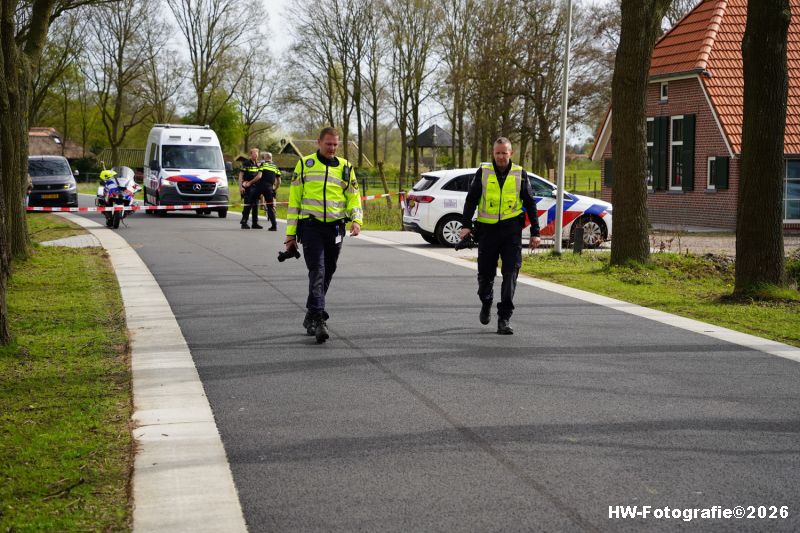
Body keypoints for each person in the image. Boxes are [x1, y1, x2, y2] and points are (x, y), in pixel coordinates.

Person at [284, 127, 363, 343]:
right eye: (328, 144)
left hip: (335, 228)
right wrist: (290, 235)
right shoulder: (305, 164)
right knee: (317, 270)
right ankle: (319, 318)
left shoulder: (346, 167)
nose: (332, 148)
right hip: (311, 227)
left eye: (336, 144)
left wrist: (356, 220)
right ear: (319, 142)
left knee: (328, 271)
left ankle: (311, 313)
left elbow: (354, 198)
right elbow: (294, 203)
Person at [458, 137, 541, 335]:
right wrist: (466, 225)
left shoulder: (520, 173)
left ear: (511, 153)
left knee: (511, 274)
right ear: (493, 154)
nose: (501, 157)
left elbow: (530, 203)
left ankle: (504, 318)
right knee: (485, 277)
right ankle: (486, 302)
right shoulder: (484, 172)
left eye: (504, 153)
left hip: (511, 231)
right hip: (487, 231)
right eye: (498, 153)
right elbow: (471, 200)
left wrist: (535, 233)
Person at [239, 148, 263, 229]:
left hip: (256, 187)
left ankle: (255, 223)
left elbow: (259, 176)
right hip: (248, 187)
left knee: (255, 205)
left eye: (257, 154)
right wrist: (241, 186)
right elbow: (240, 175)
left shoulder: (258, 164)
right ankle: (244, 222)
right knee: (248, 205)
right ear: (251, 154)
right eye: (254, 154)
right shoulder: (246, 163)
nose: (256, 155)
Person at [259, 152, 281, 231]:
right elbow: (279, 181)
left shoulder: (262, 164)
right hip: (271, 188)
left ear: (265, 157)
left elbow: (259, 176)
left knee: (252, 199)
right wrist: (275, 189)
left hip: (262, 186)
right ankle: (274, 225)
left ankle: (245, 221)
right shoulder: (275, 167)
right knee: (270, 206)